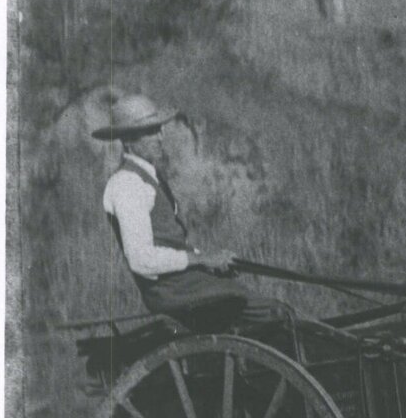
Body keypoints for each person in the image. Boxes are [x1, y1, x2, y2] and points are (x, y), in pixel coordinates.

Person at [92, 90, 285, 334]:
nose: (161, 136)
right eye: (151, 131)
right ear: (128, 139)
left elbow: (171, 244)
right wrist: (201, 259)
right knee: (273, 314)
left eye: (160, 129)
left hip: (184, 284)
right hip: (171, 292)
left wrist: (211, 259)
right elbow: (141, 259)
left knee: (269, 308)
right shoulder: (127, 184)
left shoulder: (149, 177)